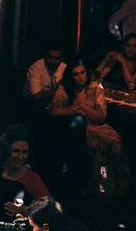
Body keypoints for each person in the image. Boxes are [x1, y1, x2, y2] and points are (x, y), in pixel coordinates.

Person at [50, 61, 129, 196]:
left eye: (83, 72)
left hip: (97, 125)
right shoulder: (65, 88)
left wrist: (84, 107)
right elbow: (53, 110)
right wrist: (73, 110)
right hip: (79, 129)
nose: (81, 76)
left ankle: (116, 186)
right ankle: (92, 188)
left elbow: (101, 116)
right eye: (76, 74)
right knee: (95, 146)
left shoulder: (95, 87)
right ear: (71, 76)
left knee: (116, 140)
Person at [0, 123, 51, 204]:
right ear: (6, 149)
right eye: (15, 151)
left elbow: (48, 209)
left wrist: (25, 211)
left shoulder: (33, 179)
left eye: (24, 152)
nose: (20, 157)